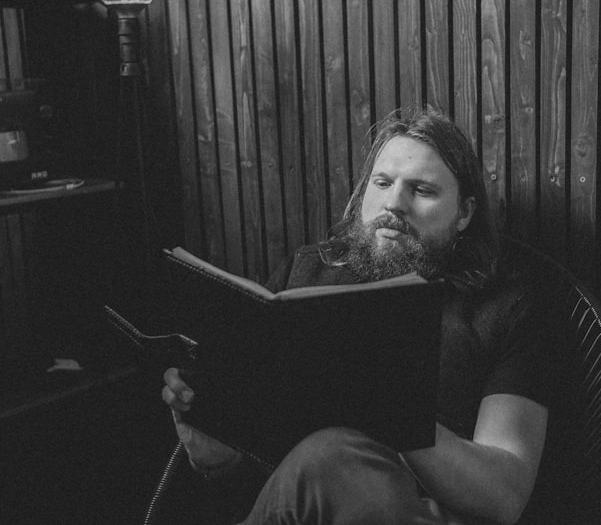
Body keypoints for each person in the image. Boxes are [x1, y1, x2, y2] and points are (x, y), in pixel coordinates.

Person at [162, 107, 565, 524]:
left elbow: (504, 494)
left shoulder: (506, 306)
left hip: (415, 510)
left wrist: (390, 411)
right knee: (323, 457)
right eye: (383, 183)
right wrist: (209, 438)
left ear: (463, 213)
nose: (394, 203)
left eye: (422, 190)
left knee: (332, 455)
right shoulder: (305, 273)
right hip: (288, 507)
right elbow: (233, 462)